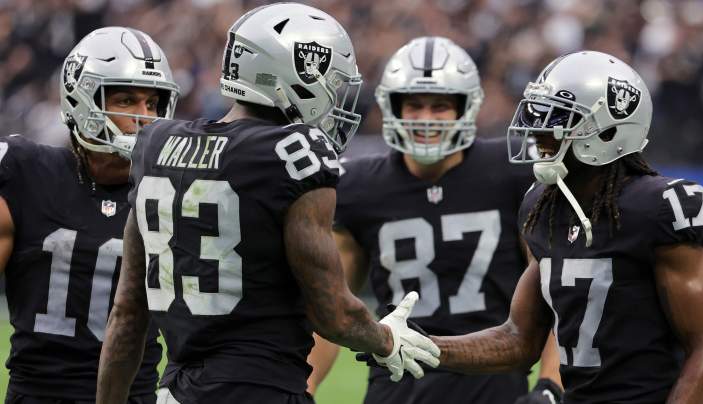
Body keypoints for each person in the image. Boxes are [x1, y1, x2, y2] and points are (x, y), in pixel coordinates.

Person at [95, 4, 439, 404]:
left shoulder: (155, 144)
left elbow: (127, 315)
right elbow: (334, 313)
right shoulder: (295, 153)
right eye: (330, 81)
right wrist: (386, 339)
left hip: (179, 391)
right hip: (261, 388)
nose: (335, 97)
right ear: (293, 74)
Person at [431, 51, 703, 403]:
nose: (538, 131)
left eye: (557, 119)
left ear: (607, 129)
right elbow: (519, 339)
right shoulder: (543, 205)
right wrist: (426, 346)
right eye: (538, 115)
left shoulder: (657, 207)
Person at [306, 36, 563, 404]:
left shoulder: (511, 177)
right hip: (397, 383)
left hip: (493, 382)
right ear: (392, 107)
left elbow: (555, 297)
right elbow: (331, 308)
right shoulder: (360, 188)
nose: (426, 119)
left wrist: (551, 385)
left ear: (466, 107)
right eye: (414, 105)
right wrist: (306, 386)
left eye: (440, 106)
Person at [0, 27, 179, 403]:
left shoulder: (176, 191)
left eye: (153, 104)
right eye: (126, 100)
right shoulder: (26, 171)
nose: (144, 117)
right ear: (82, 98)